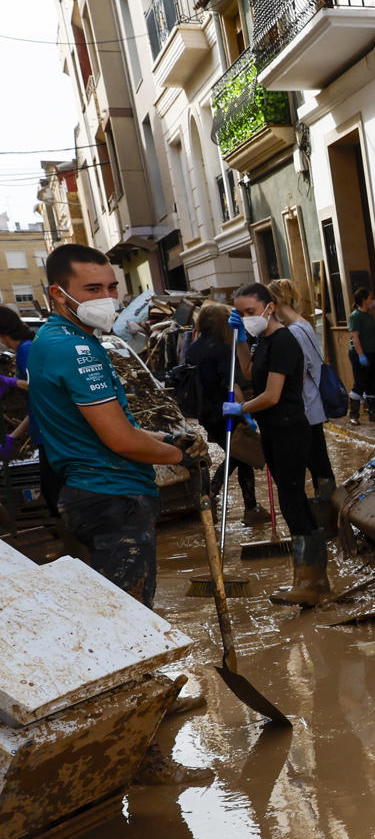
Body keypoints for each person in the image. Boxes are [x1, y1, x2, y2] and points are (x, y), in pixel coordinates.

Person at [26, 244, 204, 605]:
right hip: (109, 497)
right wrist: (178, 456)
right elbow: (121, 439)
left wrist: (167, 437)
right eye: (92, 290)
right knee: (131, 622)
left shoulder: (60, 339)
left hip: (94, 494)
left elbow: (110, 425)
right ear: (58, 295)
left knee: (117, 614)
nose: (107, 298)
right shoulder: (74, 349)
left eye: (111, 287)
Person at [228, 283, 330, 606]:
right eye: (240, 313)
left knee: (294, 501)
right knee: (290, 501)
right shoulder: (262, 342)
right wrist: (242, 341)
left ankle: (311, 581)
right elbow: (248, 371)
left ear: (269, 307)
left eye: (250, 312)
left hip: (289, 429)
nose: (246, 318)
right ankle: (310, 578)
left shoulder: (285, 341)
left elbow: (272, 395)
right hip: (272, 430)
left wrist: (241, 408)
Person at [185, 302, 266, 526]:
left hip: (206, 413)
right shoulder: (223, 349)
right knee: (241, 454)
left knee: (240, 455)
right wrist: (245, 411)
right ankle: (215, 490)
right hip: (227, 410)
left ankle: (250, 507)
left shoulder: (193, 348)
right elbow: (232, 385)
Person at [265, 279, 336, 506]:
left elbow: (299, 373)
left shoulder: (292, 332)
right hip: (311, 405)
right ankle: (328, 511)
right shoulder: (303, 324)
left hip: (305, 407)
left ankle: (327, 511)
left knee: (316, 462)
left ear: (273, 303)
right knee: (319, 460)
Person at [0, 306, 36, 464]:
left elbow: (42, 388)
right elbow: (36, 406)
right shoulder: (25, 348)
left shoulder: (26, 350)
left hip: (51, 436)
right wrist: (12, 437)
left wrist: (11, 382)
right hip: (42, 433)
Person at [347, 286, 375, 424]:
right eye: (370, 298)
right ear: (363, 300)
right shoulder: (355, 316)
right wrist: (361, 355)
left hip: (374, 353)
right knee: (360, 383)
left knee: (372, 383)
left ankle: (373, 413)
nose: (373, 301)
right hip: (361, 354)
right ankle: (354, 415)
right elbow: (355, 337)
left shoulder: (369, 316)